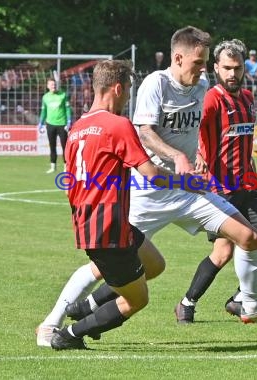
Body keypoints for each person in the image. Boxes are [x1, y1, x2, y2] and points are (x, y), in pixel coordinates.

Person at [36, 26, 257, 347]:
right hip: (149, 193)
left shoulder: (201, 86)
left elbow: (196, 129)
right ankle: (52, 322)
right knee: (120, 267)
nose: (203, 69)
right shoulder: (155, 84)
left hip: (187, 189)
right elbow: (145, 132)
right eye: (198, 62)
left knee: (250, 236)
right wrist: (176, 157)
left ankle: (251, 305)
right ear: (178, 57)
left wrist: (196, 155)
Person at [50, 59, 201, 350]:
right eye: (129, 91)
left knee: (154, 265)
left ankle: (87, 306)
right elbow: (152, 175)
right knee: (137, 300)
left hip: (100, 224)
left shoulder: (77, 128)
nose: (129, 98)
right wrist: (188, 182)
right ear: (117, 88)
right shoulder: (118, 125)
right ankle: (70, 335)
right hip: (109, 230)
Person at [174, 38, 257, 325]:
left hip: (247, 185)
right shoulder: (211, 99)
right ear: (215, 68)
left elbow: (243, 139)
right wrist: (198, 155)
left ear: (244, 68)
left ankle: (241, 299)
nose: (232, 74)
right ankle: (186, 303)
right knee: (223, 251)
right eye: (226, 68)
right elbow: (193, 129)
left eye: (237, 68)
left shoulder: (248, 99)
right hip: (220, 188)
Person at [37, 78, 72, 173]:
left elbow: (68, 109)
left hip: (62, 124)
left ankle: (66, 166)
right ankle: (53, 166)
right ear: (48, 86)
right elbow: (43, 111)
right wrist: (41, 122)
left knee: (65, 146)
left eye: (55, 84)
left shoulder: (63, 95)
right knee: (52, 146)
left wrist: (69, 121)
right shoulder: (45, 97)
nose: (54, 86)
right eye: (52, 84)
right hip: (50, 124)